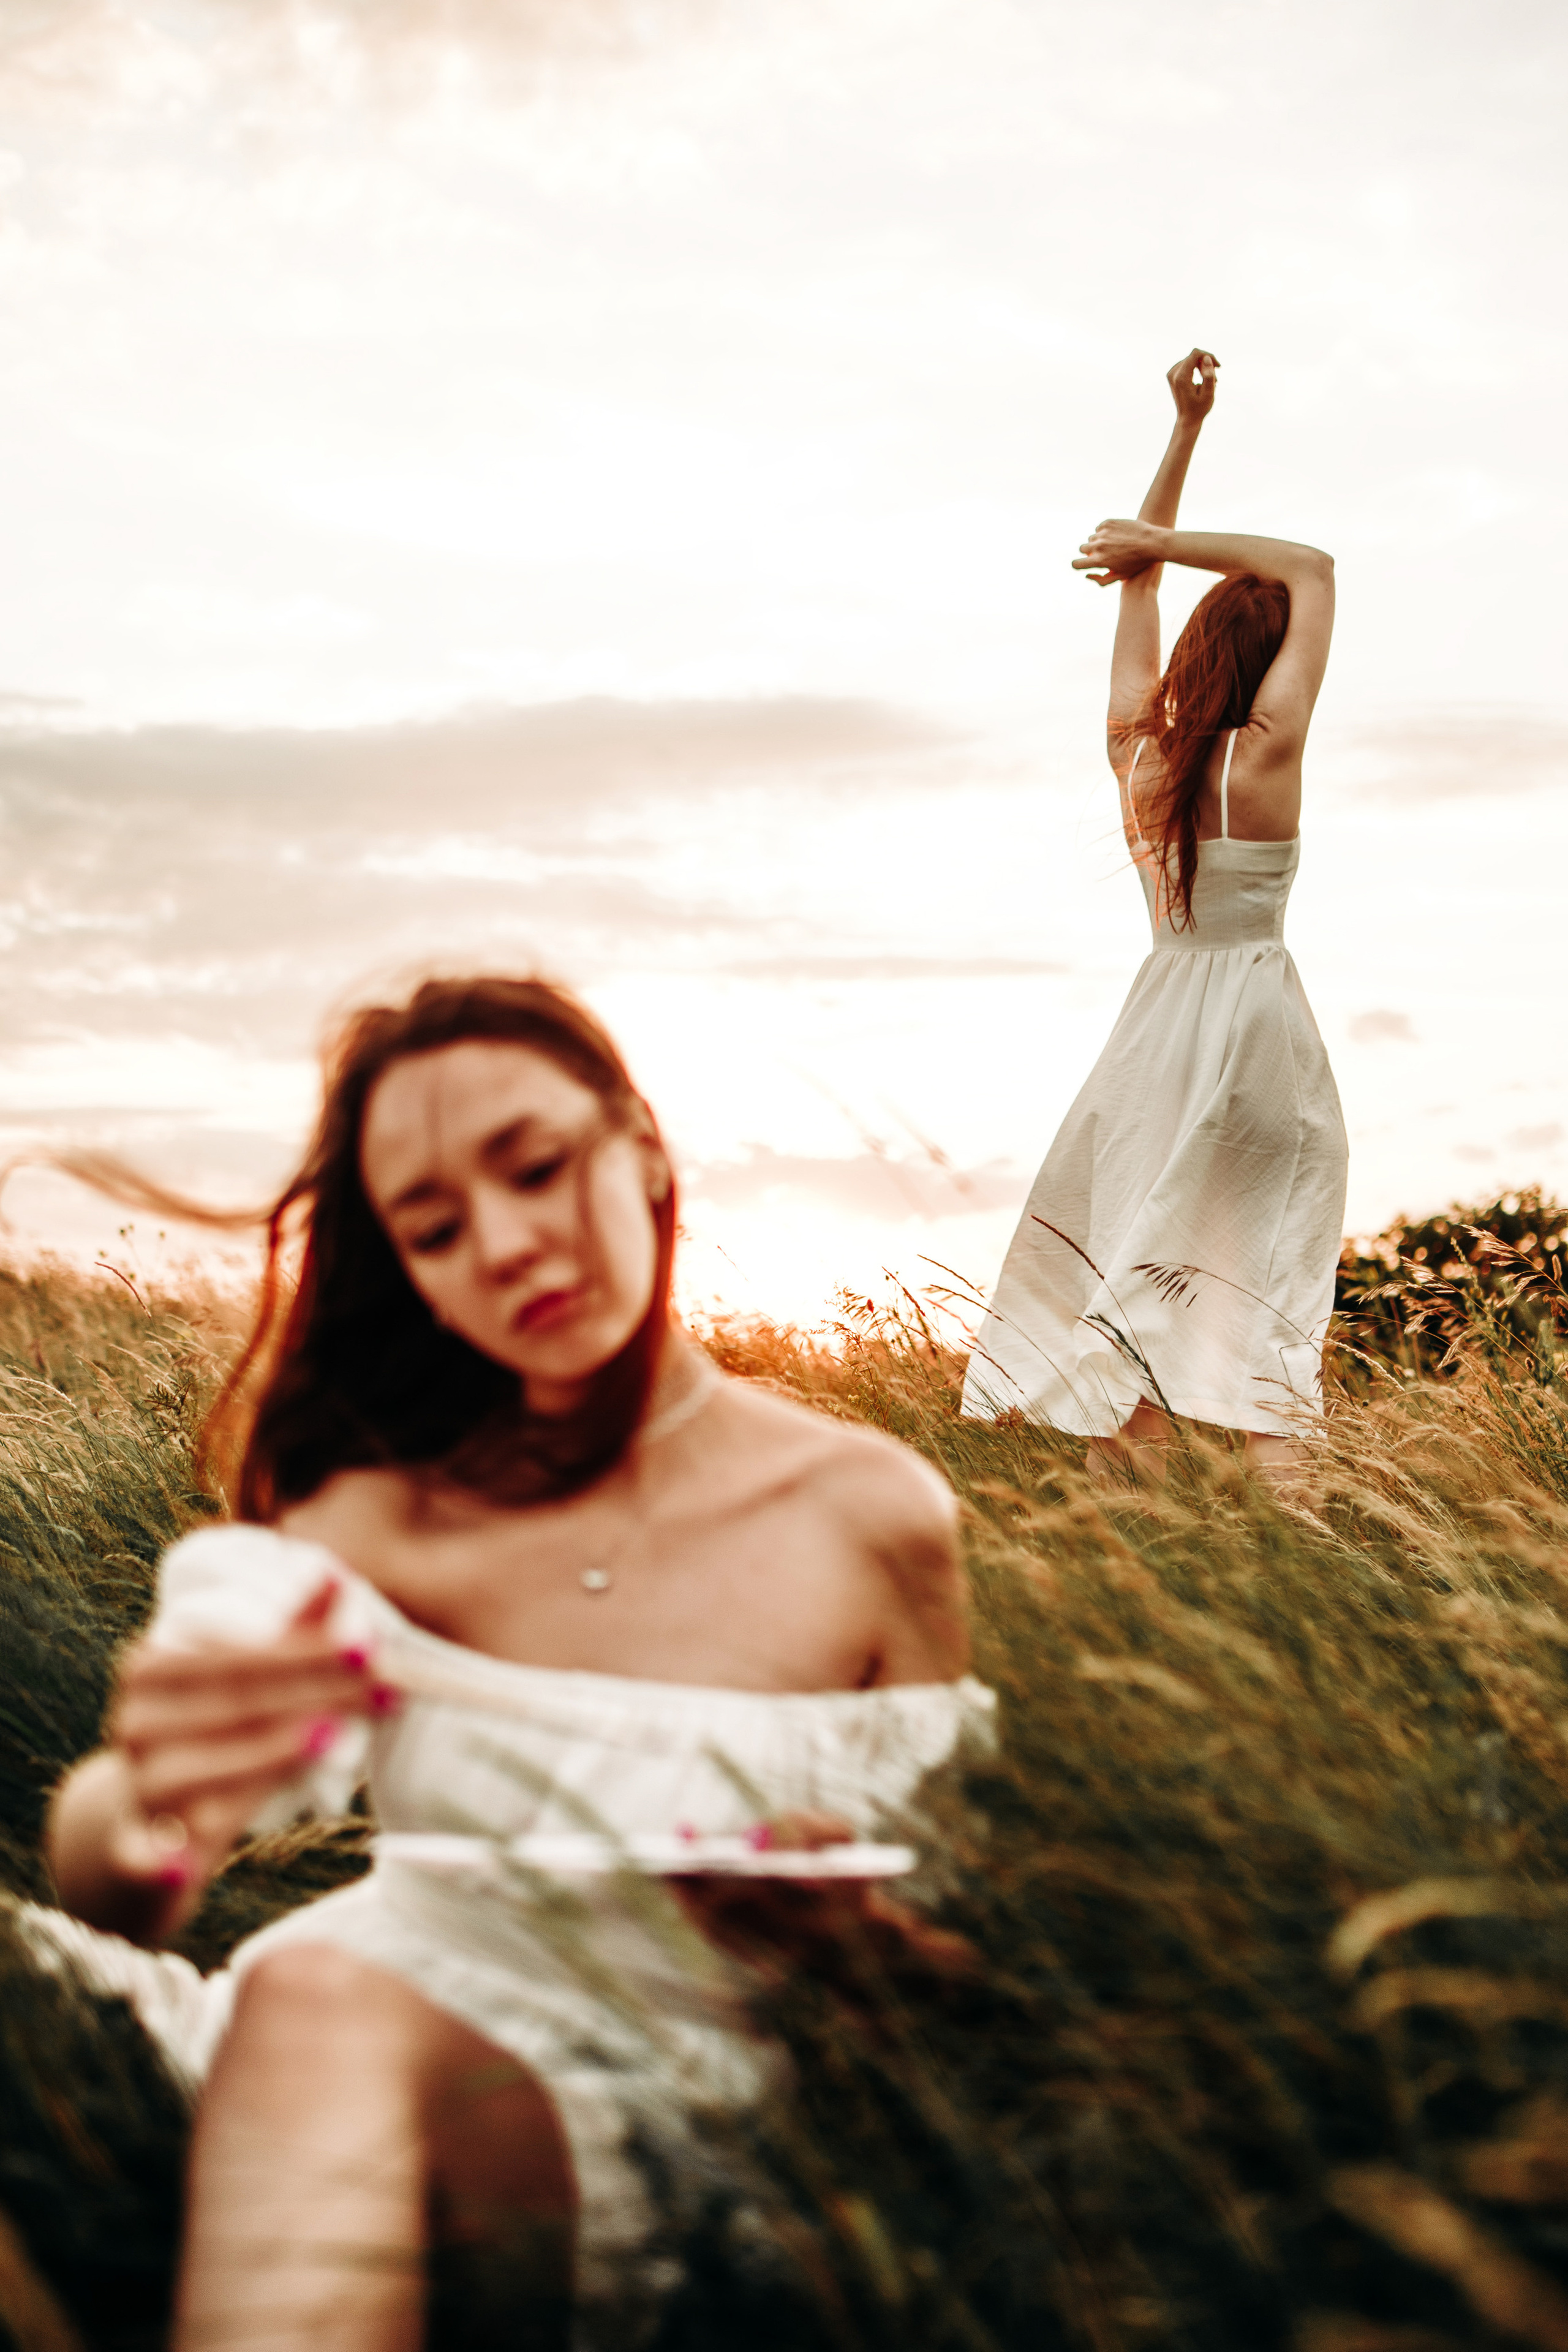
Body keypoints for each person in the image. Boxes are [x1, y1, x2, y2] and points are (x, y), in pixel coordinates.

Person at [36, 974, 992, 2352]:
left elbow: (958, 1967)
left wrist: (851, 1940)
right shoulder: (374, 1511)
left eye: (536, 1168)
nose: (503, 1244)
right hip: (343, 2024)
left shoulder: (871, 1516)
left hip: (673, 2112)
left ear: (644, 1148)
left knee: (318, 2000)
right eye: (433, 1229)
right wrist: (149, 1795)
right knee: (297, 1995)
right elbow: (115, 1877)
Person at [960, 350, 1348, 1479]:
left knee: (1131, 1290)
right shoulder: (1266, 762)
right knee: (1260, 1295)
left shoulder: (1140, 759)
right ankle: (1300, 1530)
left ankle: (1139, 1541)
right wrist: (1167, 532)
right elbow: (1312, 567)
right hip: (1259, 1033)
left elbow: (1131, 590)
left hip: (1157, 1036)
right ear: (1279, 665)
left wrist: (1175, 447)